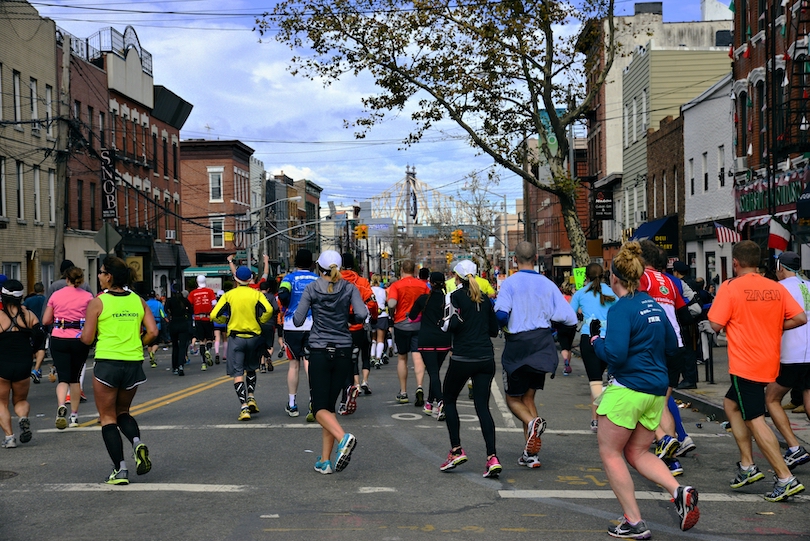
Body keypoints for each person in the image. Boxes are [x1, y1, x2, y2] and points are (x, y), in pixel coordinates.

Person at [591, 241, 700, 538]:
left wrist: (594, 342)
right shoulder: (654, 304)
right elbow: (669, 345)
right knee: (637, 452)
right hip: (655, 389)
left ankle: (634, 521)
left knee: (611, 453)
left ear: (614, 278)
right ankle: (679, 491)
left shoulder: (620, 309)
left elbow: (615, 355)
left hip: (628, 388)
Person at [708, 240, 807, 502]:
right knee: (730, 404)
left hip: (745, 362)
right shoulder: (774, 287)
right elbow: (800, 318)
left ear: (736, 263)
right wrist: (773, 327)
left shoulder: (730, 287)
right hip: (769, 361)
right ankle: (747, 466)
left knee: (754, 418)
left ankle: (785, 477)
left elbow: (715, 324)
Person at [493, 241, 577, 468]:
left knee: (512, 399)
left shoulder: (510, 284)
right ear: (537, 258)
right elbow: (570, 318)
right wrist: (550, 328)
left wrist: (501, 325)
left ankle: (532, 423)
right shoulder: (548, 284)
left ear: (514, 259)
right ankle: (531, 454)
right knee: (528, 398)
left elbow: (501, 315)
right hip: (542, 344)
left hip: (518, 346)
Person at [80, 257, 158, 485]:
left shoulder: (98, 302)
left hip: (107, 362)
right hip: (133, 362)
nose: (99, 276)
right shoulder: (138, 300)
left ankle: (120, 469)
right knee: (123, 411)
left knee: (107, 417)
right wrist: (136, 343)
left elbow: (86, 338)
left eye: (102, 272)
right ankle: (136, 442)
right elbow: (153, 332)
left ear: (109, 276)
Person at [293, 250, 368, 474]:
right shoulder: (349, 287)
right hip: (344, 349)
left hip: (319, 350)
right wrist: (347, 317)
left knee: (318, 408)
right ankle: (325, 461)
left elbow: (297, 320)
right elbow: (363, 315)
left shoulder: (312, 288)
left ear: (319, 268)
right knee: (329, 407)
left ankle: (343, 438)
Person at [439, 259, 502, 477]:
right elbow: (494, 331)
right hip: (485, 357)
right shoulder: (485, 300)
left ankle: (456, 449)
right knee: (483, 407)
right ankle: (492, 456)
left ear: (456, 277)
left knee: (448, 399)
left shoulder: (453, 296)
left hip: (463, 357)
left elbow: (448, 325)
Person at [637, 241, 696, 474]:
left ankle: (664, 446)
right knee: (661, 402)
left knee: (645, 401)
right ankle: (672, 456)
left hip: (654, 347)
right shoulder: (671, 282)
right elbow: (684, 314)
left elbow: (636, 309)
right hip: (676, 346)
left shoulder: (643, 279)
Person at [764, 251, 810, 470]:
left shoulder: (778, 289)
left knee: (772, 398)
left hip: (791, 353)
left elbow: (771, 320)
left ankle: (794, 448)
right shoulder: (809, 285)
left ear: (780, 267)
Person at [210, 266, 274, 421]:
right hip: (253, 336)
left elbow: (213, 315)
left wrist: (225, 321)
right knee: (251, 368)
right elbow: (269, 310)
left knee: (238, 372)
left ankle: (244, 406)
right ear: (250, 279)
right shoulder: (256, 294)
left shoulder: (228, 295)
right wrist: (260, 321)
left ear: (236, 279)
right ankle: (251, 396)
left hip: (236, 337)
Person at [42, 266, 93, 429]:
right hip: (79, 338)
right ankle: (74, 416)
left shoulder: (56, 295)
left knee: (63, 378)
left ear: (66, 279)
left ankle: (61, 405)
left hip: (59, 337)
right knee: (75, 378)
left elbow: (46, 320)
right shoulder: (87, 297)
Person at [569, 263, 617, 431]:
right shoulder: (613, 292)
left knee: (595, 381)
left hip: (588, 338)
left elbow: (569, 315)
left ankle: (597, 419)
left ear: (586, 277)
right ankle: (602, 418)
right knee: (609, 380)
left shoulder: (580, 294)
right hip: (610, 339)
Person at [0, 280, 45, 448]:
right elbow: (40, 338)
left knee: (1, 402)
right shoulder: (29, 315)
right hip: (23, 363)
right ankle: (23, 418)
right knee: (20, 400)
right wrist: (33, 351)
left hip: (2, 363)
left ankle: (9, 437)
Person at [278, 249, 318, 419]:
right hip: (313, 325)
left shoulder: (289, 278)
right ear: (311, 263)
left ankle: (292, 404)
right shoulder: (317, 280)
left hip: (292, 325)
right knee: (310, 364)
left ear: (296, 262)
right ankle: (313, 400)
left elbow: (282, 295)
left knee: (294, 365)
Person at [338, 253, 378, 413]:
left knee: (341, 364)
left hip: (339, 328)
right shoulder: (362, 282)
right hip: (357, 327)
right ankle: (352, 387)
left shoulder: (335, 281)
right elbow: (372, 303)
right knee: (359, 357)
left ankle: (345, 393)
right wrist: (373, 318)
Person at [408, 271, 451, 419]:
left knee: (433, 373)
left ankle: (440, 402)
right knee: (435, 372)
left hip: (426, 340)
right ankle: (429, 403)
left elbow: (412, 316)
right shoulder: (448, 300)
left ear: (430, 283)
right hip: (444, 340)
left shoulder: (423, 299)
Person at [387, 260, 430, 405]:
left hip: (401, 324)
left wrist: (392, 312)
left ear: (401, 271)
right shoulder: (422, 285)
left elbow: (392, 303)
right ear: (415, 271)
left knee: (402, 358)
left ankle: (403, 392)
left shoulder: (396, 285)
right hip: (419, 324)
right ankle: (419, 387)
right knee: (418, 357)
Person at [188, 275, 217, 371]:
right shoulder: (210, 291)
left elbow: (189, 304)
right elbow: (214, 304)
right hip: (207, 318)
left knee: (201, 341)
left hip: (197, 318)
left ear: (197, 281)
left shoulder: (193, 293)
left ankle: (203, 363)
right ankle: (208, 350)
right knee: (209, 339)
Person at [165, 289, 193, 376]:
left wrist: (169, 316)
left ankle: (175, 367)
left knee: (175, 346)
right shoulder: (184, 300)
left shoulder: (169, 300)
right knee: (182, 346)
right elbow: (191, 311)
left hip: (173, 323)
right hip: (183, 323)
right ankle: (181, 365)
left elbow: (165, 310)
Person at [259, 280, 280, 373]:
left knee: (260, 345)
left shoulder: (257, 297)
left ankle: (262, 365)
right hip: (269, 323)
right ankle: (269, 357)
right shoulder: (271, 297)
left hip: (259, 323)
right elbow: (276, 308)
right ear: (268, 289)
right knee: (269, 344)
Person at [370, 274, 389, 368]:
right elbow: (387, 302)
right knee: (380, 339)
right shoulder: (383, 291)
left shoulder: (369, 290)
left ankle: (372, 356)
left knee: (373, 338)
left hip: (372, 316)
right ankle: (378, 358)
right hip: (382, 315)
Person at [145, 291, 166, 368]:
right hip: (157, 325)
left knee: (149, 343)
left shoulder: (145, 303)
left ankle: (152, 360)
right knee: (156, 342)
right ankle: (153, 352)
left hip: (146, 325)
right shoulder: (158, 304)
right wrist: (165, 318)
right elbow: (163, 314)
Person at [213, 288, 228, 365]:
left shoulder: (215, 304)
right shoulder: (226, 303)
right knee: (225, 339)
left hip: (216, 323)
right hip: (225, 322)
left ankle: (217, 353)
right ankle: (225, 355)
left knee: (217, 338)